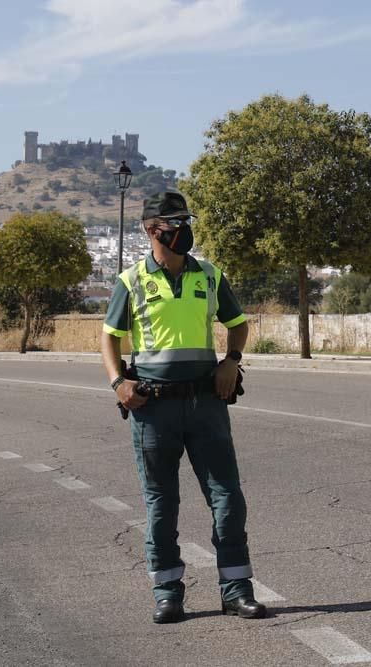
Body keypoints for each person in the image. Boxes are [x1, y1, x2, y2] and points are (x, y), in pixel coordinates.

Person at [100, 190, 265, 624]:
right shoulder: (131, 280)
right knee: (161, 504)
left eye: (186, 220)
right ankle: (168, 592)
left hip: (206, 403)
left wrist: (231, 361)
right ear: (153, 230)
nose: (184, 230)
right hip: (153, 409)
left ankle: (236, 591)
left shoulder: (209, 275)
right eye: (176, 222)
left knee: (227, 498)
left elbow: (238, 324)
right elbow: (109, 337)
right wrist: (118, 381)